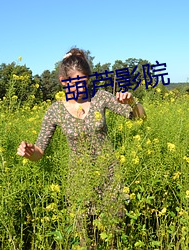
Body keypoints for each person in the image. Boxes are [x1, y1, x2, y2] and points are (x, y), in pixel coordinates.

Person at [17, 48, 146, 247]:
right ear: (63, 81)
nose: (79, 88)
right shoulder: (55, 111)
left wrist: (133, 101)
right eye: (74, 83)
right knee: (85, 238)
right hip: (79, 182)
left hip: (110, 177)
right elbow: (39, 151)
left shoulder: (100, 97)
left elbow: (139, 118)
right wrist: (29, 152)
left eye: (83, 82)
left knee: (114, 236)